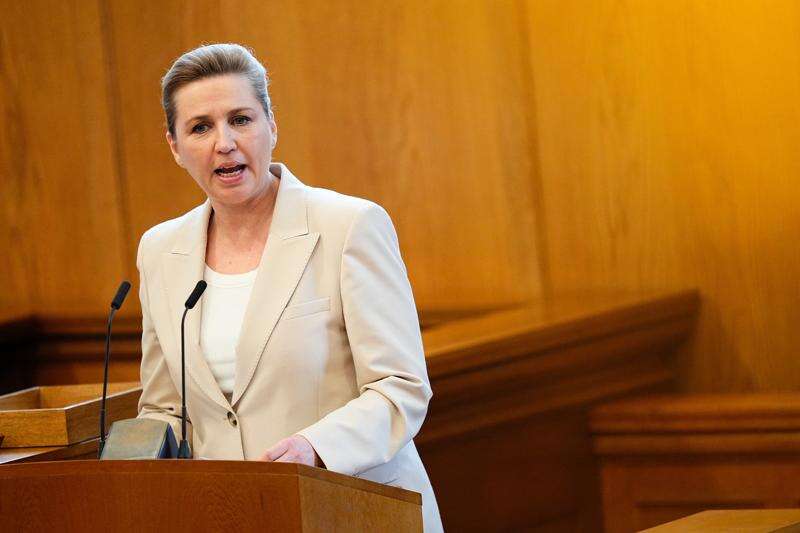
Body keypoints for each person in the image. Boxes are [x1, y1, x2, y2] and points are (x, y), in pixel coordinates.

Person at [135, 43, 443, 531]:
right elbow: (165, 408)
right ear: (174, 146)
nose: (224, 143)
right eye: (200, 127)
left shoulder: (349, 226)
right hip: (232, 518)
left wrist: (315, 447)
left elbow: (399, 388)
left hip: (352, 511)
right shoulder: (159, 251)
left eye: (240, 119)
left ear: (271, 126)